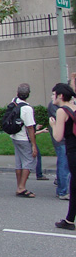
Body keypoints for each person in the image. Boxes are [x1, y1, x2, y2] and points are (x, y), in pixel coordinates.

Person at [48, 83, 76, 230]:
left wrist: (52, 126)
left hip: (72, 150)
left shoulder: (61, 111)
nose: (52, 97)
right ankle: (69, 219)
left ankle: (70, 220)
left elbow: (58, 137)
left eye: (53, 94)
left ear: (60, 95)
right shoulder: (74, 107)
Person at [8, 84, 38, 199]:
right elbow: (30, 127)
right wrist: (34, 145)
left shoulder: (14, 102)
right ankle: (22, 187)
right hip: (24, 138)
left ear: (17, 93)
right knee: (28, 161)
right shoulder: (27, 109)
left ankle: (18, 185)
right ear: (28, 95)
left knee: (19, 161)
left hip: (15, 136)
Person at [48, 95, 70, 200]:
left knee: (63, 164)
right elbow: (61, 123)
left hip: (62, 139)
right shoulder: (55, 107)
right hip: (61, 140)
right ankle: (63, 190)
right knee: (63, 164)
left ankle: (62, 188)